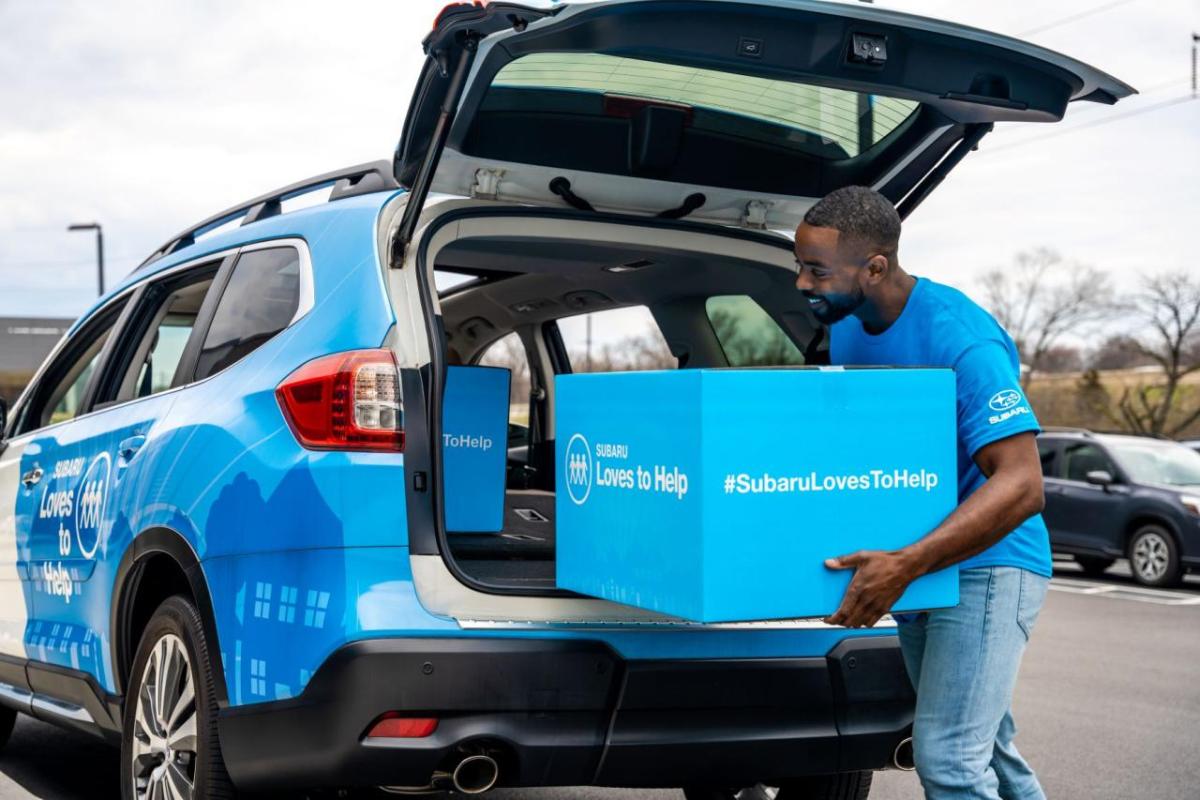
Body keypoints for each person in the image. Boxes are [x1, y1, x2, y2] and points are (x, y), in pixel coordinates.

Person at [794, 185, 1051, 800]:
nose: (802, 283)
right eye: (799, 265)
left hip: (988, 567)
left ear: (875, 267)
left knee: (950, 760)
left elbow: (1023, 484)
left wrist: (905, 564)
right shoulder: (853, 327)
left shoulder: (961, 338)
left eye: (817, 270)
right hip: (921, 568)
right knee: (986, 748)